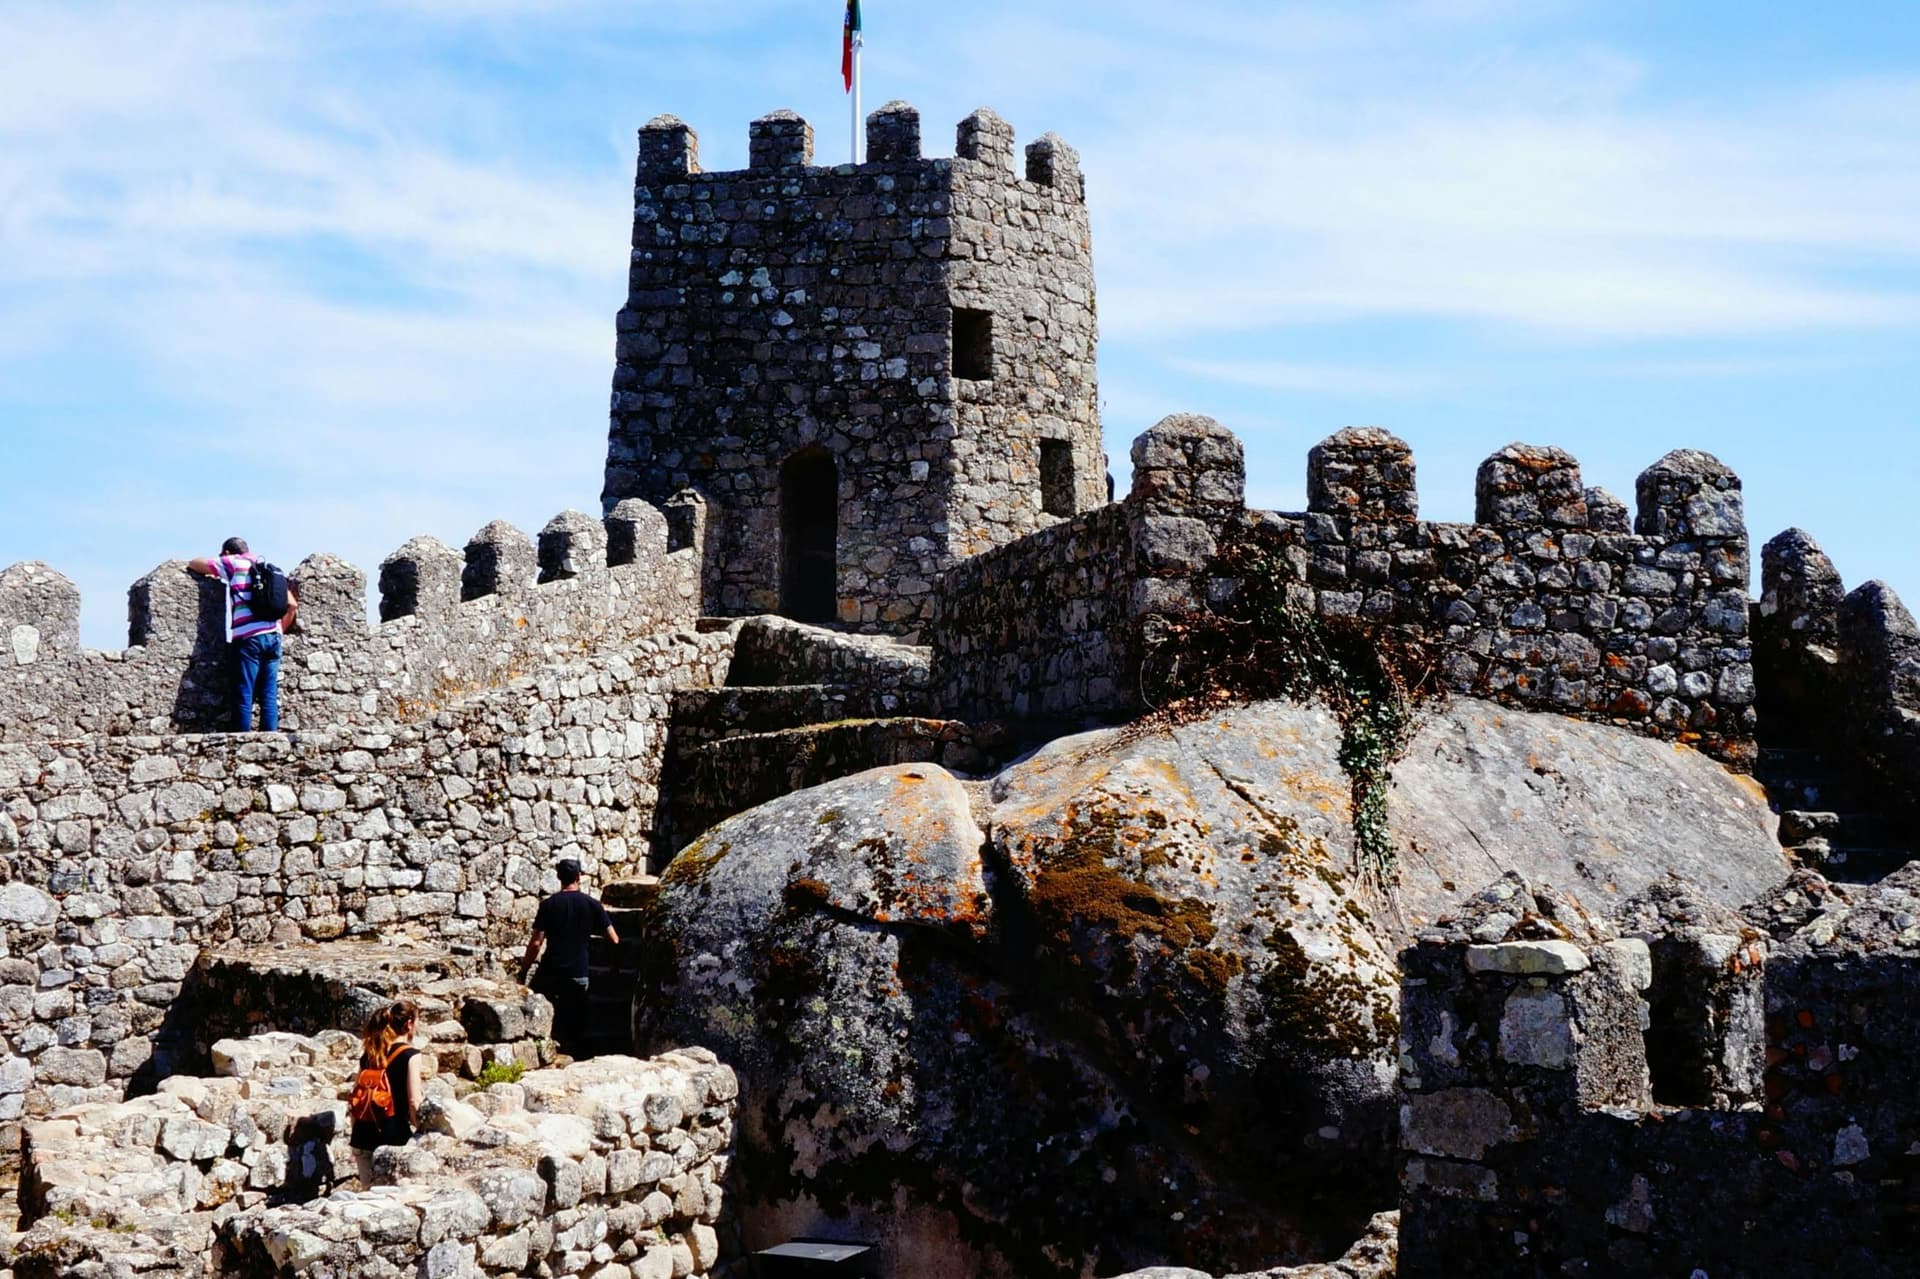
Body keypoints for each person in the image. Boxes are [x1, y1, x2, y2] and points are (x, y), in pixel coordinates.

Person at [187, 538, 297, 731]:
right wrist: (280, 630)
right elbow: (292, 604)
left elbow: (195, 563)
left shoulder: (233, 563)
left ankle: (242, 739)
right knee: (269, 693)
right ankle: (270, 737)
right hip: (274, 635)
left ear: (228, 553)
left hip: (249, 638)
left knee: (244, 690)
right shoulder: (266, 568)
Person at [518, 858, 620, 1057]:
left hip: (550, 973)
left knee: (540, 1013)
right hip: (578, 973)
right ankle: (575, 1057)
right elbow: (614, 939)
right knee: (576, 1020)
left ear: (558, 878)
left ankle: (542, 1054)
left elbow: (536, 943)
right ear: (579, 876)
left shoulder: (548, 905)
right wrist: (612, 966)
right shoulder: (592, 905)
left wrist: (523, 971)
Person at [348, 1000, 423, 1186]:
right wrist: (421, 1132)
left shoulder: (370, 1053)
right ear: (409, 1024)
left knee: (367, 1199)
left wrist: (355, 1129)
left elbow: (356, 1097)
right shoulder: (411, 1055)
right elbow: (414, 1101)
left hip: (361, 1138)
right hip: (394, 1139)